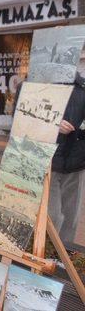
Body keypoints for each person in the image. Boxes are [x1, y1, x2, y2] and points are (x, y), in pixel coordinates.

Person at [50, 73, 85, 244]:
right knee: (53, 217)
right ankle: (44, 258)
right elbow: (21, 119)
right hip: (48, 162)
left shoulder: (82, 87)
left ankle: (62, 261)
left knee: (71, 218)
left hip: (76, 161)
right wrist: (53, 123)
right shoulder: (37, 84)